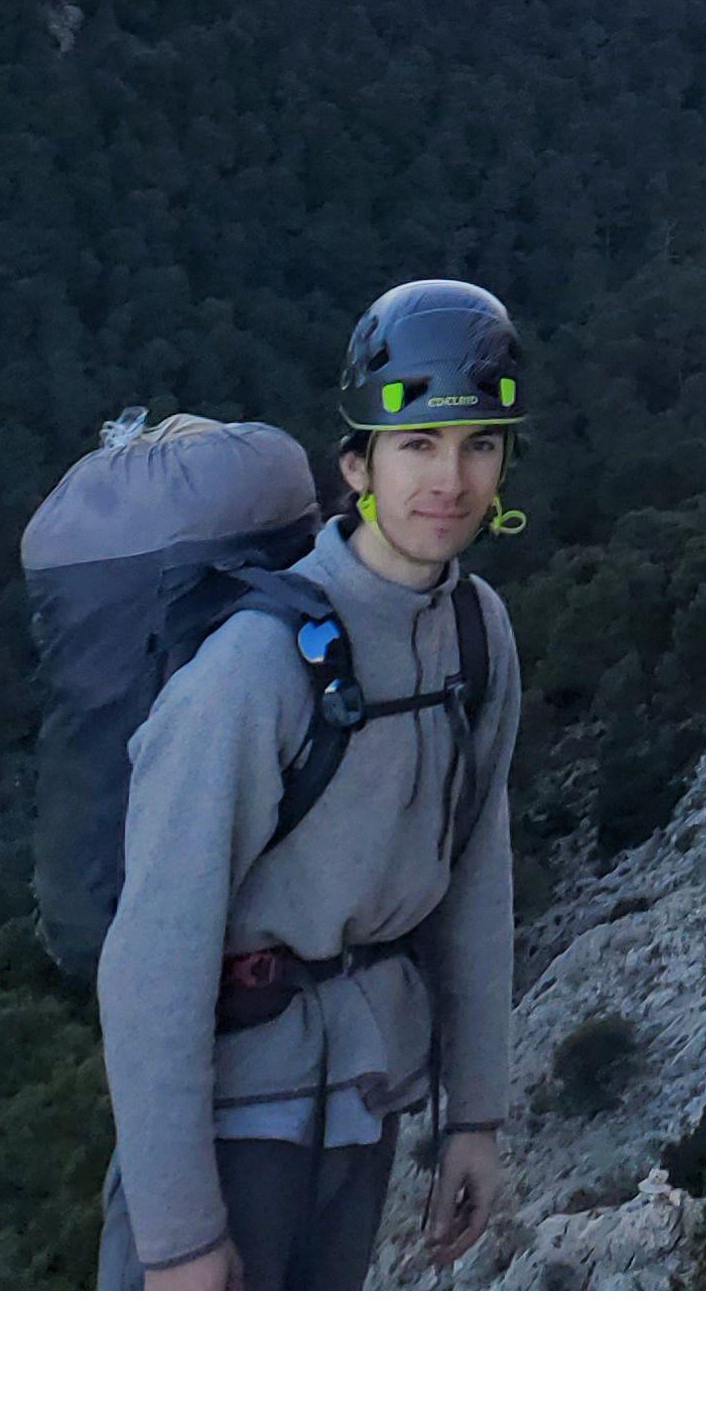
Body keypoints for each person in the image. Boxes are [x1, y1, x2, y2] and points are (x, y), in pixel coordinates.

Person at [93, 279, 526, 1291]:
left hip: (364, 1109)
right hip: (233, 1125)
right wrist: (180, 1237)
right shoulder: (259, 666)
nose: (450, 480)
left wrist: (475, 1114)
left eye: (479, 445)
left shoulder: (477, 635)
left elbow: (476, 877)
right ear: (356, 466)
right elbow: (154, 956)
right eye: (416, 446)